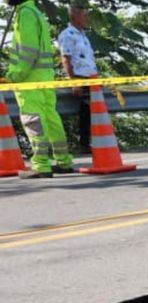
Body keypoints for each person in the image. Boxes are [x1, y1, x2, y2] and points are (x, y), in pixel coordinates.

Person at [5, 0, 73, 178]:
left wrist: (15, 75)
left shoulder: (26, 13)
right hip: (44, 75)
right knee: (50, 118)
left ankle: (41, 165)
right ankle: (64, 160)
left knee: (32, 119)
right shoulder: (36, 12)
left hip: (29, 77)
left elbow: (28, 50)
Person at [57, 0, 98, 156]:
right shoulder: (67, 35)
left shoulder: (84, 35)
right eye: (84, 15)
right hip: (80, 77)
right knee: (85, 112)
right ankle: (84, 143)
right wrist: (74, 81)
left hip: (91, 78)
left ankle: (94, 141)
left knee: (93, 112)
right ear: (74, 16)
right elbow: (66, 59)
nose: (87, 18)